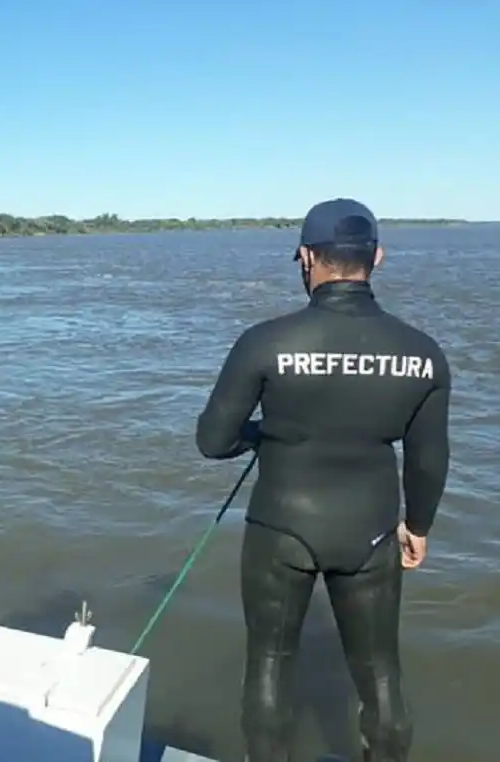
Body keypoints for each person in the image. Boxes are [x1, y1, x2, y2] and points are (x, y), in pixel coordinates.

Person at [194, 198, 451, 762]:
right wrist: (419, 526)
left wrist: (264, 435)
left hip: (280, 527)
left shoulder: (264, 342)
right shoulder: (423, 355)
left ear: (307, 258)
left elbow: (213, 441)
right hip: (374, 530)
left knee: (268, 663)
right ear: (377, 258)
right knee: (381, 672)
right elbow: (429, 460)